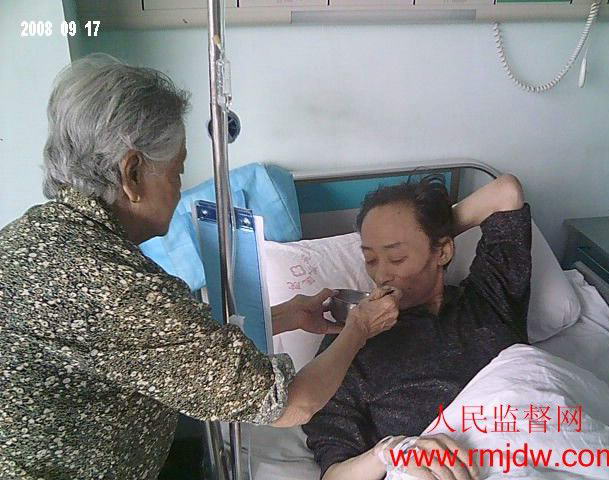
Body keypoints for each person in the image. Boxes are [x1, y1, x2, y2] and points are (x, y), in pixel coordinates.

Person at [0, 55, 402, 480]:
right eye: (176, 173)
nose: (179, 192)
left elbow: (155, 346)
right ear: (132, 174)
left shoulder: (32, 237)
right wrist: (359, 327)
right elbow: (292, 403)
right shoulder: (113, 286)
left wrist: (284, 316)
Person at [302, 174, 532, 480]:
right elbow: (335, 475)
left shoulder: (490, 296)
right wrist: (391, 451)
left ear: (444, 252)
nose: (381, 275)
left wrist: (433, 231)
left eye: (397, 257)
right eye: (370, 259)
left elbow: (506, 192)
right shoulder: (351, 344)